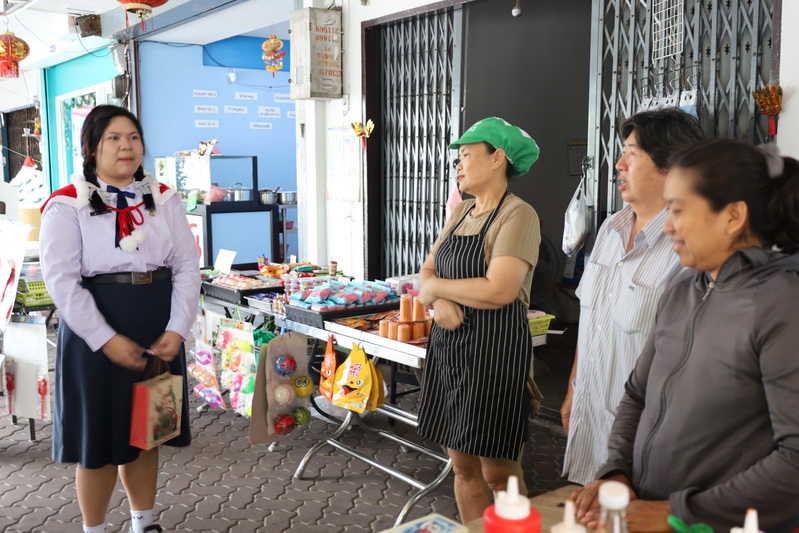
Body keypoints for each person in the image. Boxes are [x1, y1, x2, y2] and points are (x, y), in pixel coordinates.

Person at [571, 138, 799, 533]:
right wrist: (617, 472)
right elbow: (637, 394)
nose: (668, 225)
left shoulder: (781, 304)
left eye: (678, 210)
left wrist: (677, 512)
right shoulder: (682, 288)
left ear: (733, 216)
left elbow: (794, 457)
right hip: (649, 514)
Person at [40, 105, 200, 533]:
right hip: (94, 333)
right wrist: (105, 338)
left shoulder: (164, 198)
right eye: (114, 138)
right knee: (98, 445)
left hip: (156, 326)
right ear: (92, 148)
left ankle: (143, 524)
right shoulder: (65, 205)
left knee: (148, 432)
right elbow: (62, 281)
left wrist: (177, 328)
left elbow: (187, 266)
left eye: (133, 137)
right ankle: (94, 529)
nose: (126, 146)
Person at [561, 108, 704, 485]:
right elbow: (592, 319)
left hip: (644, 439)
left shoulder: (688, 249)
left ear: (672, 166)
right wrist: (574, 387)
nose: (619, 165)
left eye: (632, 154)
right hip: (589, 416)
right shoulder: (609, 229)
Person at [415, 117, 541, 523]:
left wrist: (436, 291)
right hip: (450, 351)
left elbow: (499, 289)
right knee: (463, 467)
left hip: (494, 353)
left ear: (497, 158)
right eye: (458, 158)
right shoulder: (461, 211)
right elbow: (426, 270)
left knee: (499, 471)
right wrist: (438, 300)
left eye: (467, 155)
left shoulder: (518, 215)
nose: (458, 165)